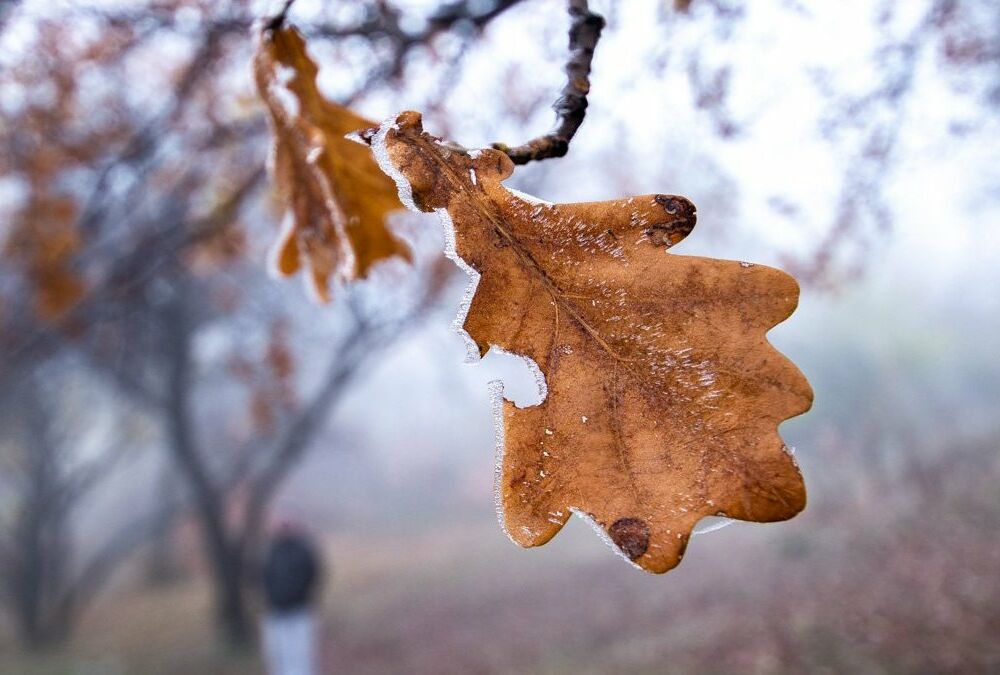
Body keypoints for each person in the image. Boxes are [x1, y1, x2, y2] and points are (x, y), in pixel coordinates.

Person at [260, 519, 323, 675]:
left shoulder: (304, 550)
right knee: (277, 658)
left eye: (287, 524)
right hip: (275, 612)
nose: (283, 527)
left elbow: (313, 576)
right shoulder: (270, 550)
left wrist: (300, 597)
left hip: (298, 612)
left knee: (300, 659)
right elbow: (263, 577)